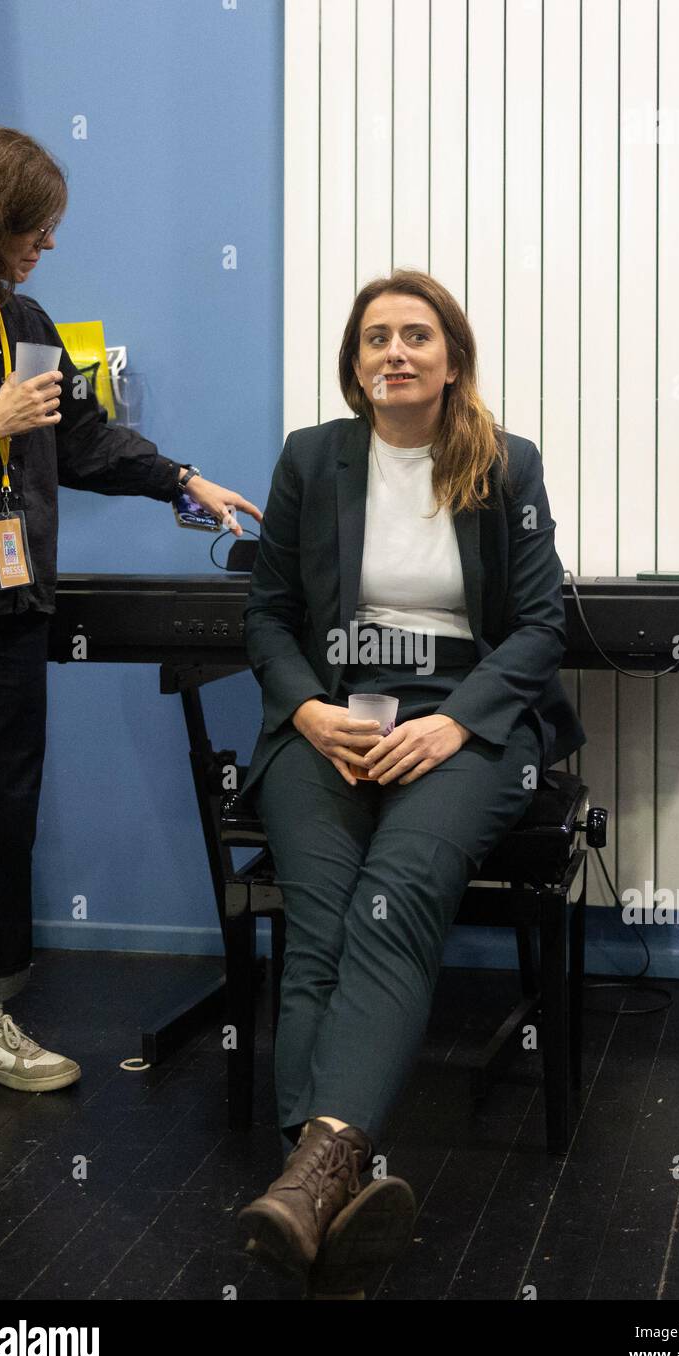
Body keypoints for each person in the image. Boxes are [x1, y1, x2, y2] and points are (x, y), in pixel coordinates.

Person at [234, 268, 585, 1297]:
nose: (394, 351)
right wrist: (305, 711)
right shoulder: (311, 459)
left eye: (415, 336)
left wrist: (449, 724)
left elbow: (534, 629)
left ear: (449, 358)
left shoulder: (504, 466)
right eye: (375, 336)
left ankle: (307, 1174)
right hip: (332, 716)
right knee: (321, 914)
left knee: (390, 909)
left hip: (464, 725)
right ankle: (327, 1182)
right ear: (355, 363)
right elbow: (264, 615)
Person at [0, 125, 263, 1092]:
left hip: (5, 611)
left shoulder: (25, 316)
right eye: (34, 230)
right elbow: (0, 435)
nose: (45, 247)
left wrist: (181, 479)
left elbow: (83, 438)